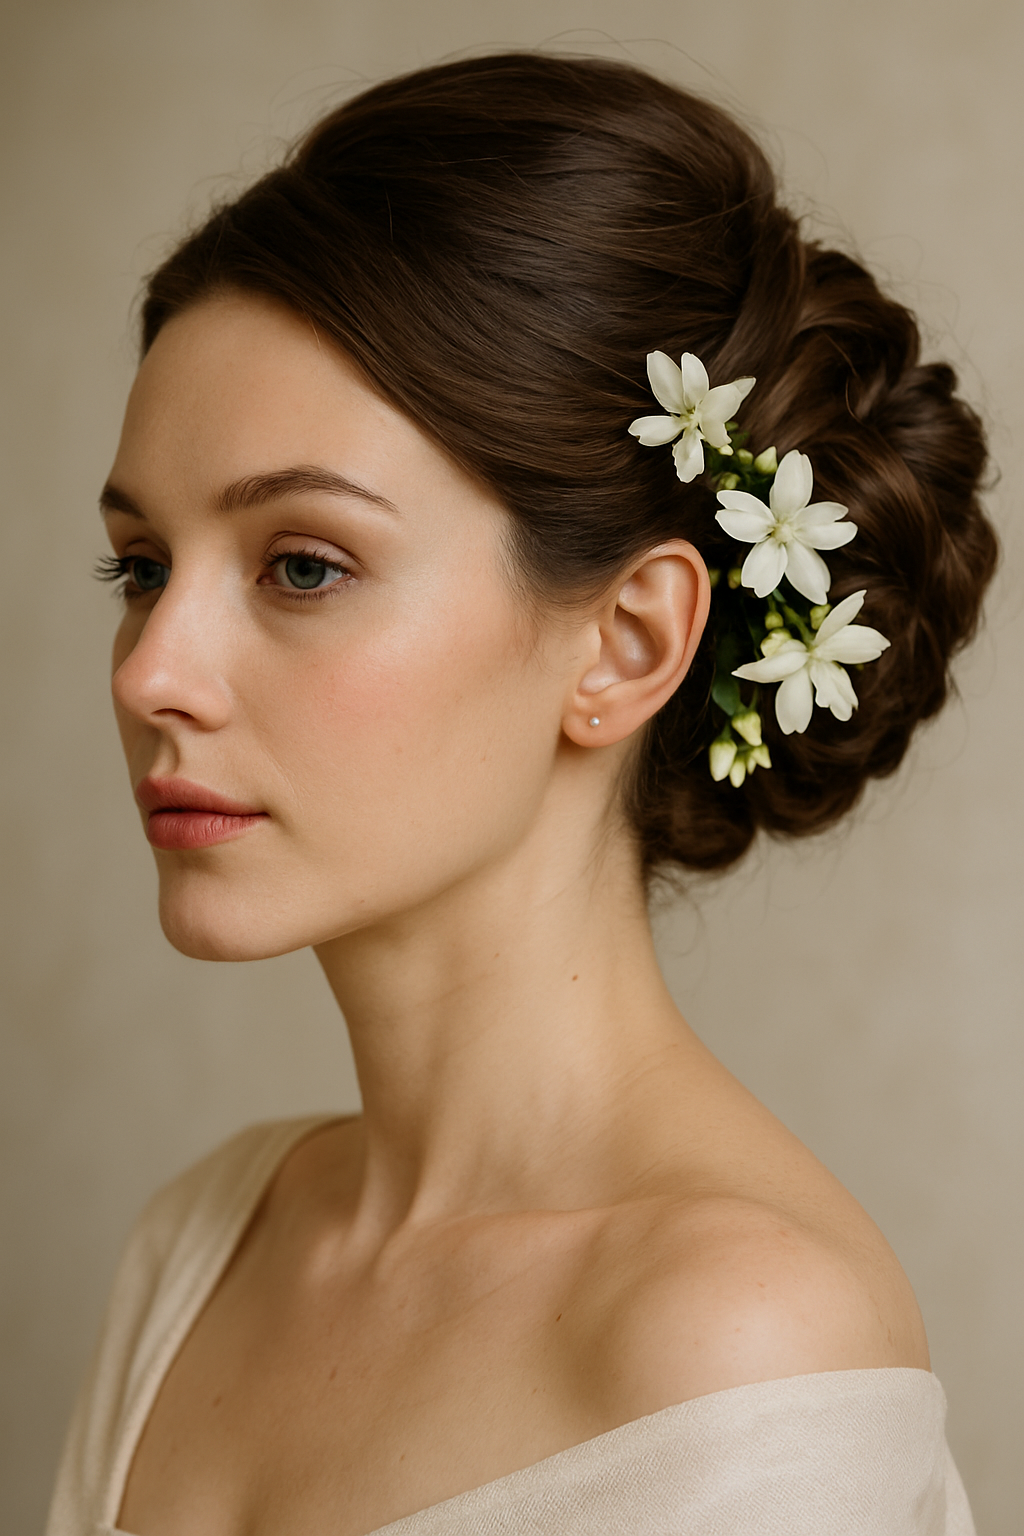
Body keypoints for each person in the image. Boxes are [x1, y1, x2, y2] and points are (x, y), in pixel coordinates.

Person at [47, 52, 996, 1536]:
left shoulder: (736, 1342)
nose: (152, 672)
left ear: (628, 642)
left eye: (303, 566)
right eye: (142, 567)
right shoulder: (206, 1245)